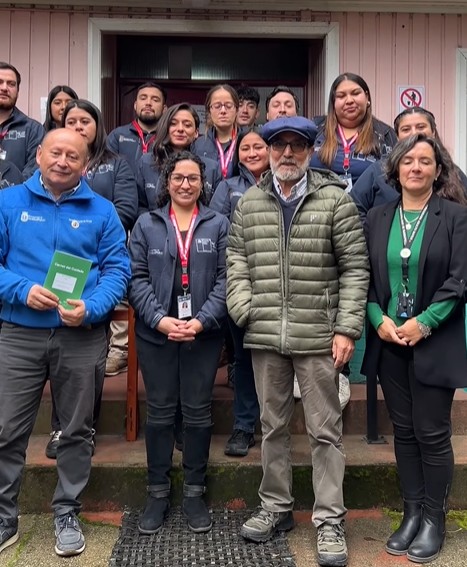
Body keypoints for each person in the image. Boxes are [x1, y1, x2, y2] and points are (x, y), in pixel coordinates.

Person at [227, 116, 369, 567]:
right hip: (266, 333)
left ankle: (329, 520)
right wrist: (243, 307)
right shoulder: (250, 202)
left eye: (297, 145)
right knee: (272, 428)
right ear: (268, 150)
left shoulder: (335, 200)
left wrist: (346, 329)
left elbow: (355, 268)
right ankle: (276, 507)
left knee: (325, 432)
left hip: (319, 336)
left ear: (310, 150)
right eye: (279, 145)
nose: (287, 153)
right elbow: (236, 258)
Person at [0, 128, 130, 558]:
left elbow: (117, 270)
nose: (62, 161)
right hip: (19, 333)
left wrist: (92, 308)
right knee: (6, 429)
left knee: (76, 430)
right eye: (55, 152)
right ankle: (4, 516)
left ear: (85, 165)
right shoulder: (8, 203)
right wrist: (20, 290)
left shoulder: (102, 211)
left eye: (73, 156)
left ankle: (67, 512)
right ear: (39, 155)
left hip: (80, 336)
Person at [362, 134, 467, 564]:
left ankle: (434, 520)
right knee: (403, 432)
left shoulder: (456, 217)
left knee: (432, 433)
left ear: (438, 170)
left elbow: (459, 280)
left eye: (425, 161)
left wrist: (424, 323)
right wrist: (378, 320)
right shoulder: (377, 217)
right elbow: (365, 278)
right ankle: (411, 514)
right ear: (396, 169)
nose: (416, 168)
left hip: (434, 341)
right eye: (408, 161)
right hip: (390, 342)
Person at [128, 151, 229, 535]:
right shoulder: (146, 223)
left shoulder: (218, 223)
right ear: (166, 183)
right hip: (156, 334)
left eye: (193, 178)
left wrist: (201, 321)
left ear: (203, 184)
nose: (185, 184)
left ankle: (193, 493)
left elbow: (227, 278)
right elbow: (136, 277)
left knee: (198, 413)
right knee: (159, 413)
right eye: (178, 178)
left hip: (203, 335)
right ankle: (157, 493)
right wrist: (159, 319)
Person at [43, 99, 137, 459]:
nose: (79, 126)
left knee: (87, 359)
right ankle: (59, 427)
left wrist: (90, 225)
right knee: (56, 357)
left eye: (86, 121)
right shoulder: (51, 166)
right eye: (72, 121)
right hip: (54, 271)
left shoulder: (116, 164)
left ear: (98, 126)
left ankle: (86, 427)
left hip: (96, 268)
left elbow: (126, 208)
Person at [210, 128, 269, 457]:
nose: (252, 152)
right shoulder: (227, 186)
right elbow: (217, 230)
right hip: (241, 282)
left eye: (259, 146)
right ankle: (244, 427)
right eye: (245, 148)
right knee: (244, 359)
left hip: (279, 285)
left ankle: (275, 428)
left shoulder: (284, 183)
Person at [351, 107, 467, 223]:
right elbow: (353, 208)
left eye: (421, 127)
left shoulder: (452, 172)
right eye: (406, 129)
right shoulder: (378, 170)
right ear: (397, 137)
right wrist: (374, 231)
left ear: (433, 133)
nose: (414, 133)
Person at [311, 72, 397, 191]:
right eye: (341, 96)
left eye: (355, 93)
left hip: (368, 202)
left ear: (367, 97)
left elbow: (393, 179)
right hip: (319, 202)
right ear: (333, 102)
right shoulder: (315, 129)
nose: (349, 100)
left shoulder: (385, 133)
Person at [137, 102, 221, 214]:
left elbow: (215, 212)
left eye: (187, 125)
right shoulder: (146, 162)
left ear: (196, 132)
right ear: (165, 128)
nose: (180, 129)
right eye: (173, 124)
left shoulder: (211, 168)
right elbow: (140, 206)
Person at [107, 82, 167, 174]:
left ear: (164, 109)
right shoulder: (117, 135)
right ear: (135, 105)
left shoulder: (168, 138)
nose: (148, 103)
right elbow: (107, 172)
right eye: (143, 98)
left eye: (155, 100)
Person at [0, 61, 44, 179]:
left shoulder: (34, 130)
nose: (4, 88)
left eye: (11, 84)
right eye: (0, 82)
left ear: (18, 92)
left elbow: (34, 172)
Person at [193, 84, 239, 179]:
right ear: (209, 111)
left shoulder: (246, 142)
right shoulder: (198, 145)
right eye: (217, 106)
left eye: (228, 106)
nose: (223, 111)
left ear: (237, 110)